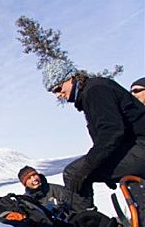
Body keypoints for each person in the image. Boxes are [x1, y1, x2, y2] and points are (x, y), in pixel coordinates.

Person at [42, 59, 145, 209]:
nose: (58, 95)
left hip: (140, 147)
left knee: (74, 173)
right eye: (54, 92)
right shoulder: (90, 93)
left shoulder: (96, 90)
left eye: (58, 89)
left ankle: (86, 225)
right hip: (134, 147)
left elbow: (111, 132)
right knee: (79, 172)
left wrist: (88, 167)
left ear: (71, 78)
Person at [17, 165, 91, 217]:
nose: (34, 179)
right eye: (29, 178)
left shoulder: (55, 189)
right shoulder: (27, 200)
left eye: (34, 175)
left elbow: (73, 204)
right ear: (25, 184)